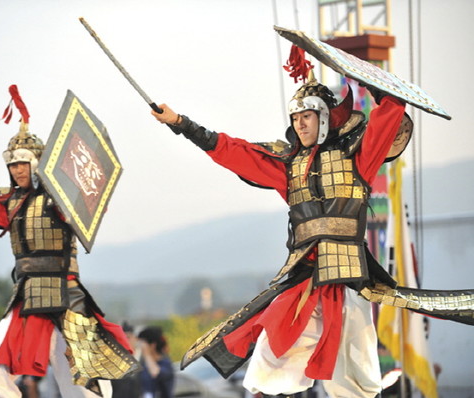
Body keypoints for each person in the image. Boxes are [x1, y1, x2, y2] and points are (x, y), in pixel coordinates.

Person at [151, 51, 474, 397]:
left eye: (307, 116)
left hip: (350, 280)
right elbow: (235, 152)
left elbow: (388, 118)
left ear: (324, 118)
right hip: (304, 281)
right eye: (296, 117)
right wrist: (180, 123)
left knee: (355, 376)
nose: (300, 123)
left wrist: (370, 80)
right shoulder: (288, 166)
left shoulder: (357, 159)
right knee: (269, 360)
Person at [0, 85, 139, 397]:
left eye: (23, 162)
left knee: (85, 379)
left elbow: (88, 203)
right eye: (12, 164)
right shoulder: (10, 202)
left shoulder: (62, 195)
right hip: (27, 295)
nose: (17, 170)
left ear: (39, 163)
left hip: (67, 292)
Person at [138, 326, 174, 398]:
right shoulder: (144, 365)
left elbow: (155, 373)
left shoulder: (165, 363)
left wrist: (146, 354)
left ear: (152, 345)